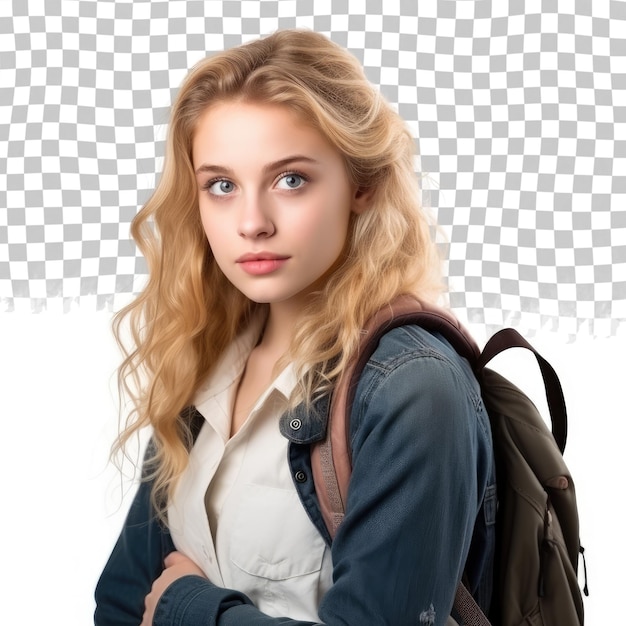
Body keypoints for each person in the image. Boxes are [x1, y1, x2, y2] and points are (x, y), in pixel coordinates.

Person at [94, 29, 495, 626]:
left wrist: (189, 609)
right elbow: (121, 603)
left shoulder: (412, 390)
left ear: (362, 185)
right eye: (222, 186)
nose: (252, 223)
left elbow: (157, 601)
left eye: (291, 179)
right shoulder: (203, 360)